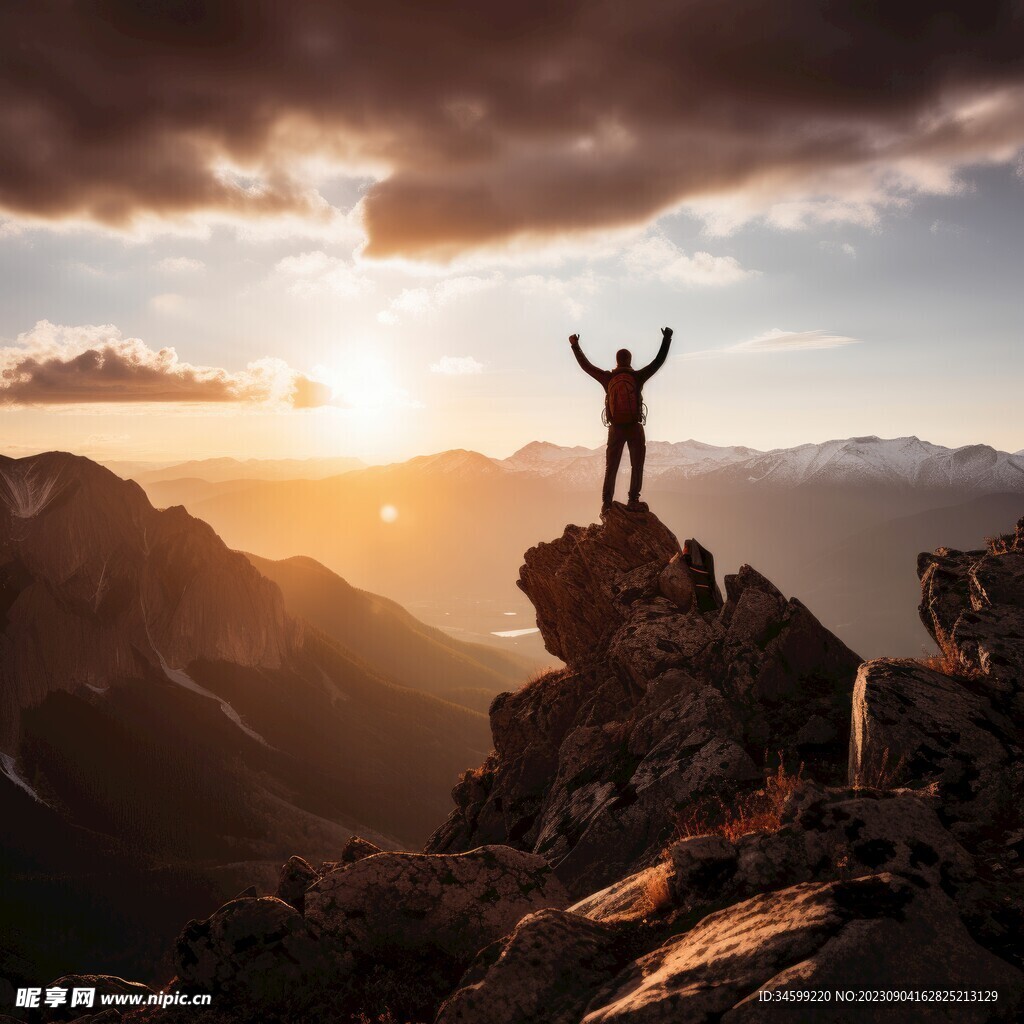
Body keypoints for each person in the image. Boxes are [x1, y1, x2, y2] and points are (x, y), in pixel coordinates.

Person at [569, 327, 673, 514]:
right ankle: (633, 499)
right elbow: (658, 361)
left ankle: (607, 503)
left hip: (615, 428)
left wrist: (575, 346)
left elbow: (586, 366)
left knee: (612, 466)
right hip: (634, 427)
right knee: (637, 465)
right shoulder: (637, 377)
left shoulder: (607, 378)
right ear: (630, 360)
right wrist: (667, 338)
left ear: (617, 361)